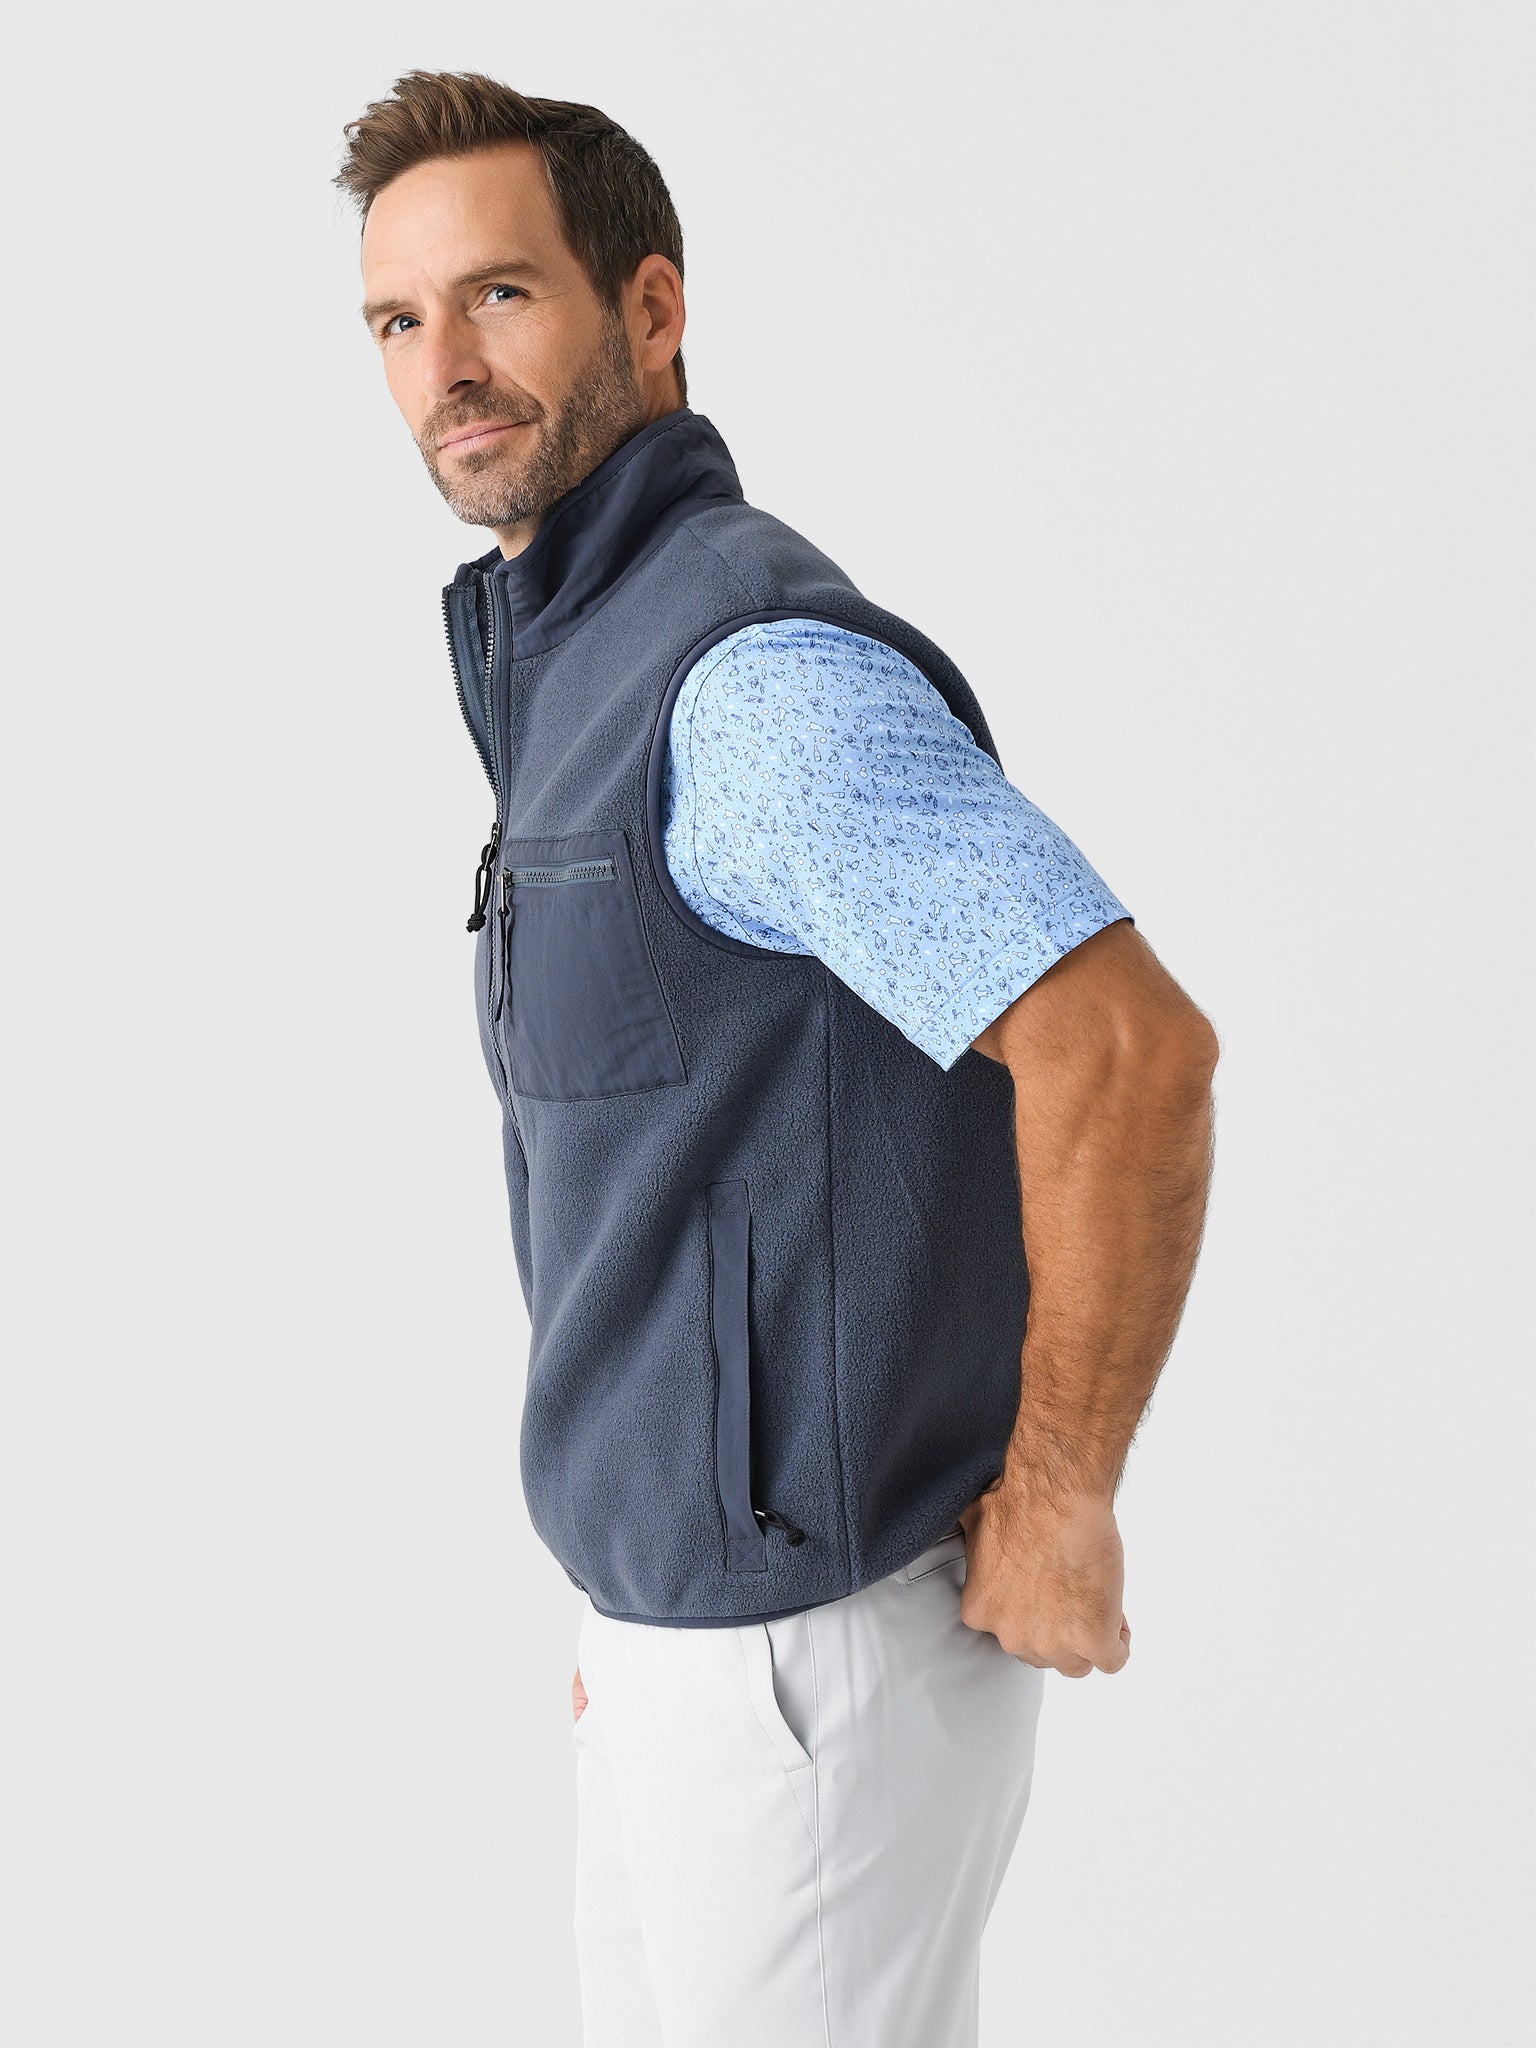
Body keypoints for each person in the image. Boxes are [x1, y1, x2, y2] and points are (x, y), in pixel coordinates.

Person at [336, 69, 1219, 2048]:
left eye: (500, 295)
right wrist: (633, 1598)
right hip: (681, 1646)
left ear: (650, 307)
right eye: (397, 319)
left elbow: (1124, 1048)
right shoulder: (573, 662)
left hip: (808, 1668)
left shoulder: (749, 684)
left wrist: (1062, 1493)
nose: (443, 368)